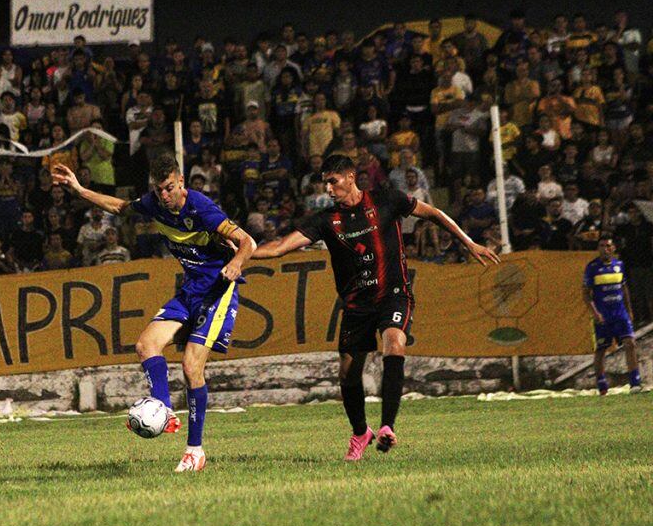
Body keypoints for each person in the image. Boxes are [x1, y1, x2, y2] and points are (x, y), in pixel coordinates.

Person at [250, 155, 499, 461]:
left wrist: (468, 242)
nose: (328, 189)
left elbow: (433, 213)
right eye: (325, 182)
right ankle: (360, 432)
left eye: (333, 181)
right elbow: (277, 248)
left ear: (350, 177)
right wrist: (240, 252)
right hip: (356, 304)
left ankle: (387, 427)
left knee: (394, 343)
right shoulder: (326, 220)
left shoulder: (386, 199)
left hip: (393, 294)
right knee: (348, 374)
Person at [52, 155, 256, 473]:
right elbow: (120, 208)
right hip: (191, 290)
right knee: (146, 345)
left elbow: (247, 242)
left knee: (191, 367)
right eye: (159, 189)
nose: (164, 196)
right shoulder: (155, 204)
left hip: (218, 291)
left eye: (170, 188)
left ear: (181, 183)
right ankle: (163, 407)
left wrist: (236, 263)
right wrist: (79, 188)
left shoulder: (201, 207)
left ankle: (195, 451)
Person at [583, 235, 643, 394]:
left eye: (608, 246)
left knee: (630, 344)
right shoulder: (592, 267)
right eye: (602, 246)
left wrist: (629, 310)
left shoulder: (619, 265)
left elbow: (624, 289)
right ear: (598, 248)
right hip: (603, 315)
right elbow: (586, 294)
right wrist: (595, 313)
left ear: (613, 248)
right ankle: (602, 386)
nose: (605, 249)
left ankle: (635, 383)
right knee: (601, 349)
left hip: (620, 314)